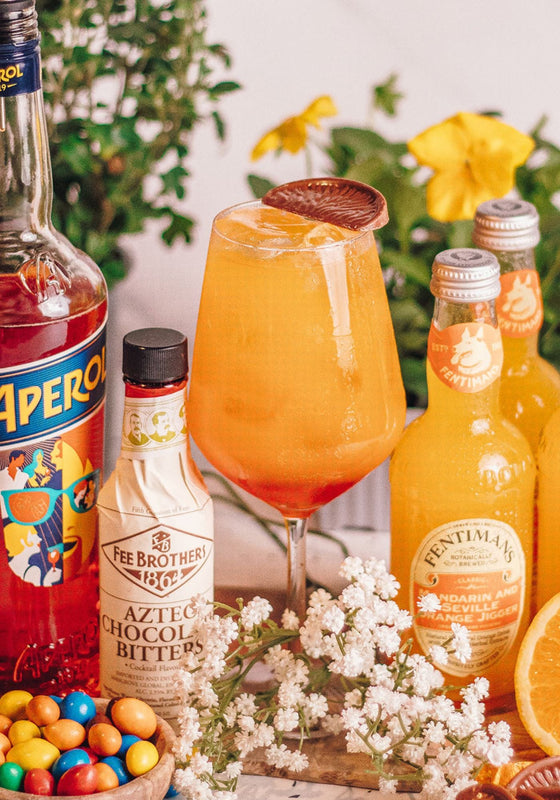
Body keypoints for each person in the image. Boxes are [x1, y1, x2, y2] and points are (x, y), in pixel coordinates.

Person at [0, 450, 29, 519]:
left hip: (21, 515)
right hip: (4, 515)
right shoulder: (1, 475)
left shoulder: (25, 476)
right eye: (21, 459)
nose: (23, 461)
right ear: (13, 458)